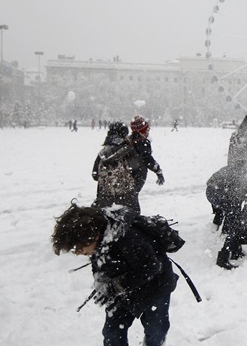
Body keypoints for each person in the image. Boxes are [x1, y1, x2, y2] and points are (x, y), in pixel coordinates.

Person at [51, 201, 178, 346]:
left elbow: (151, 267)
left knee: (156, 330)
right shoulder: (98, 239)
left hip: (156, 286)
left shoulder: (128, 238)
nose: (79, 253)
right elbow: (99, 265)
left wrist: (115, 286)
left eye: (80, 248)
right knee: (112, 333)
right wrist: (102, 282)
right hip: (123, 291)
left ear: (94, 236)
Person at [207, 159, 247, 269]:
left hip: (214, 191)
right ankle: (223, 257)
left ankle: (235, 249)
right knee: (235, 222)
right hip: (223, 192)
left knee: (235, 219)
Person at [209, 113, 247, 230]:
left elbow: (231, 155)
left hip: (232, 171)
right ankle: (233, 233)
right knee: (241, 202)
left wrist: (230, 170)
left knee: (229, 200)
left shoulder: (235, 135)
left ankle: (217, 224)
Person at [92, 122, 141, 213]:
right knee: (132, 223)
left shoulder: (102, 153)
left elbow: (95, 175)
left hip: (104, 200)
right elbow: (138, 172)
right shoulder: (129, 151)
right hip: (127, 200)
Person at [130, 115, 165, 195]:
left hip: (127, 176)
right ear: (142, 130)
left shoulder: (129, 140)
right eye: (146, 129)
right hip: (138, 174)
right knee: (132, 198)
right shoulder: (142, 142)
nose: (148, 131)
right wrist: (158, 171)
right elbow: (147, 159)